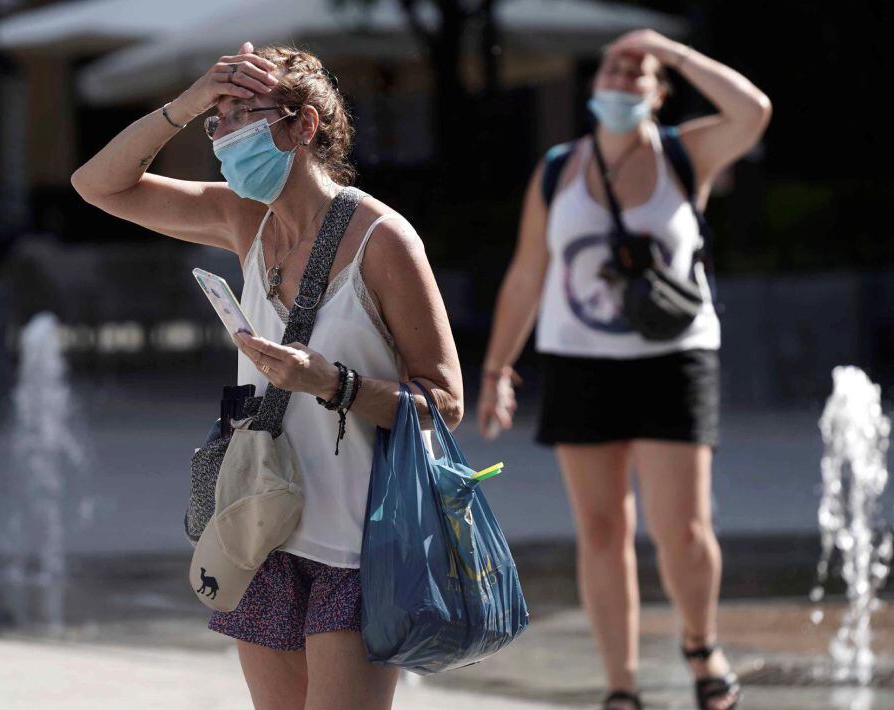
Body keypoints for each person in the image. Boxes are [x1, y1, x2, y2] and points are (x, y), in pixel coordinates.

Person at [71, 42, 463, 710]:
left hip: (359, 543)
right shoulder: (242, 217)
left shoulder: (383, 239)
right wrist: (188, 101)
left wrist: (332, 383)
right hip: (260, 528)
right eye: (215, 121)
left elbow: (445, 402)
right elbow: (97, 185)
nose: (223, 136)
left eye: (241, 115)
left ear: (302, 126)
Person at [477, 29, 771, 710]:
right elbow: (527, 275)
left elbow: (753, 111)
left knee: (684, 529)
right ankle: (621, 685)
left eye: (639, 70)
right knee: (602, 531)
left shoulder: (683, 154)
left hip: (674, 360)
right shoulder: (557, 169)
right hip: (581, 363)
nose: (623, 75)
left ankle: (701, 643)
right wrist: (497, 370)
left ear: (657, 92)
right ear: (592, 86)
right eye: (612, 65)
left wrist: (673, 50)